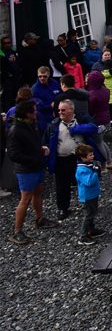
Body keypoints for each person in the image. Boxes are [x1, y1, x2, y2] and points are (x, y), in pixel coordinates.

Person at [7, 100, 58, 244]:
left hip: (37, 166)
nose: (36, 112)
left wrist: (40, 150)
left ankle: (40, 219)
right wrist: (34, 159)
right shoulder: (16, 130)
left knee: (38, 193)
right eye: (33, 110)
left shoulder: (31, 125)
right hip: (26, 170)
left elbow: (31, 145)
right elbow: (13, 154)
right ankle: (17, 231)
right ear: (27, 113)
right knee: (25, 199)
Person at [45, 99, 102, 220]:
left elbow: (94, 128)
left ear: (71, 110)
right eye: (59, 110)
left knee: (85, 181)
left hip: (80, 159)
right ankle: (63, 208)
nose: (60, 112)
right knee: (62, 185)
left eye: (63, 110)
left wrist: (77, 129)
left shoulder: (81, 119)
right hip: (62, 159)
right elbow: (46, 140)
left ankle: (89, 204)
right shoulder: (54, 124)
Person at [74, 144, 105, 245]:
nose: (93, 156)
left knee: (92, 213)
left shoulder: (88, 165)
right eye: (90, 155)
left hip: (93, 194)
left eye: (92, 154)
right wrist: (95, 172)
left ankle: (91, 230)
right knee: (88, 215)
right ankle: (83, 236)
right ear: (82, 158)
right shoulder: (81, 170)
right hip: (87, 196)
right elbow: (89, 182)